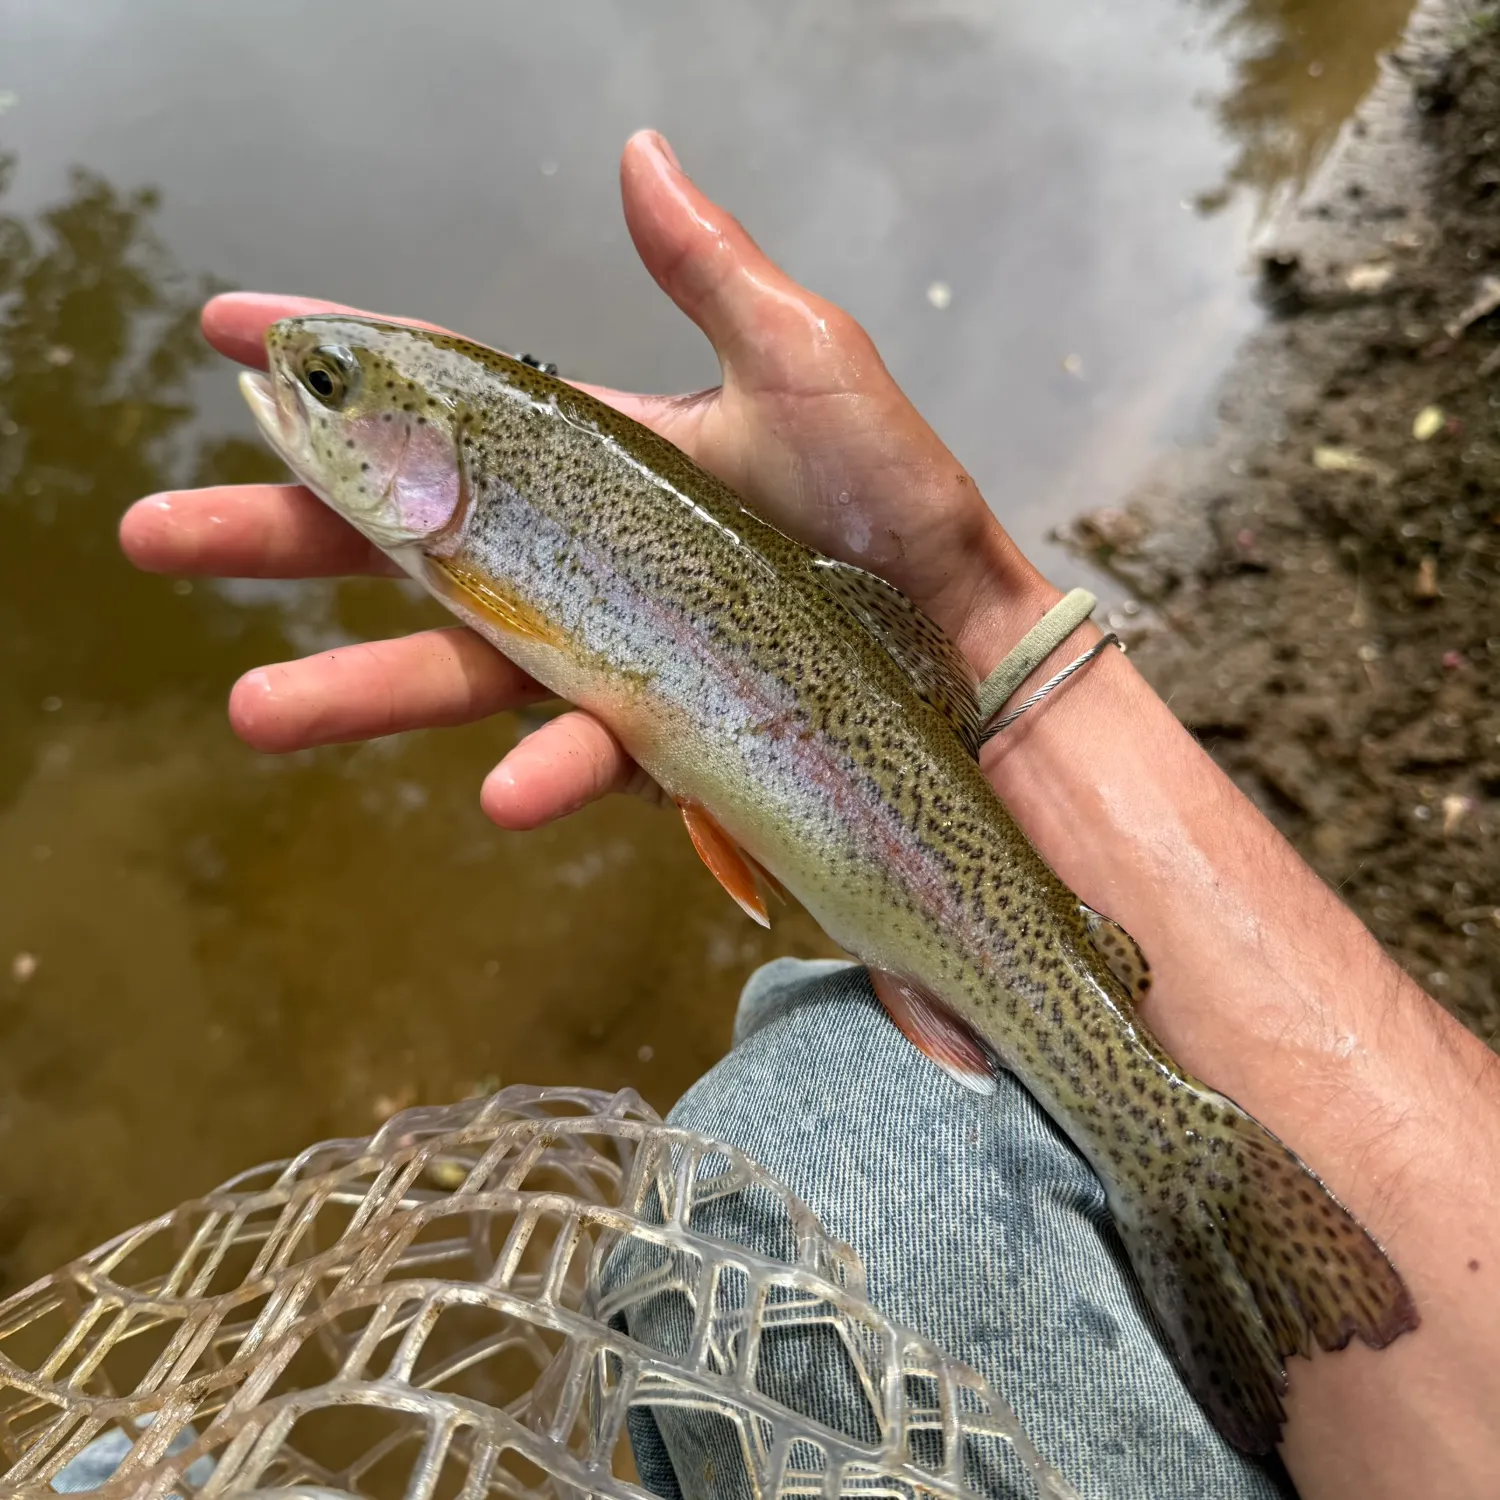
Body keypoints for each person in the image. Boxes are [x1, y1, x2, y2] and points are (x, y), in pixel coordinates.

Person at [119, 131, 1499, 1500]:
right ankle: (1184, 1188)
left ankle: (1171, 1164)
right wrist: (986, 627)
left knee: (804, 1130)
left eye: (326, 385)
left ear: (434, 449)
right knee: (795, 1131)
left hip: (919, 837)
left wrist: (972, 622)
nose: (293, 389)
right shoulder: (472, 499)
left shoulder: (478, 541)